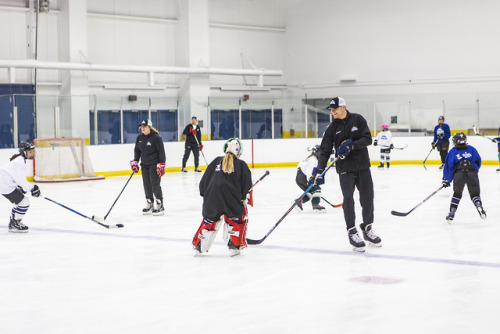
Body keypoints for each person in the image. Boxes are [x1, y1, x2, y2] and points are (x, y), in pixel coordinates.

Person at [311, 97, 381, 252]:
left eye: (335, 108)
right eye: (331, 109)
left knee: (367, 197)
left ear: (344, 107)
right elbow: (324, 151)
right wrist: (319, 170)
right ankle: (352, 231)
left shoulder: (358, 119)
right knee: (348, 199)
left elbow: (368, 139)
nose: (333, 111)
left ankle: (368, 229)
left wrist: (352, 146)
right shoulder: (331, 128)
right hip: (345, 169)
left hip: (363, 166)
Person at [192, 138, 252, 257]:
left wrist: (205, 195)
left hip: (212, 198)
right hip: (230, 199)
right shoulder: (241, 164)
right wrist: (242, 198)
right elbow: (247, 186)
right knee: (236, 218)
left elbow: (203, 183)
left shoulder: (215, 161)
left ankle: (199, 244)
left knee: (209, 219)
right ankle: (233, 244)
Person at [442, 132, 486, 222]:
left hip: (459, 175)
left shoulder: (453, 151)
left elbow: (449, 167)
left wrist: (446, 179)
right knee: (475, 195)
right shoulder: (472, 149)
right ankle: (478, 205)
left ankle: (451, 213)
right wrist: (474, 169)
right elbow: (478, 161)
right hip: (472, 174)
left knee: (457, 194)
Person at [0, 142, 41, 232]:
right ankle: (15, 223)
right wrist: (32, 188)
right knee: (24, 202)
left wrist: (25, 188)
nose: (33, 153)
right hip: (5, 185)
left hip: (6, 184)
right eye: (30, 152)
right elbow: (21, 181)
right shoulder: (19, 162)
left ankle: (13, 222)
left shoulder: (21, 160)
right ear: (24, 152)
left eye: (33, 151)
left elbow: (17, 178)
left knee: (19, 202)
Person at [131, 119, 166, 215]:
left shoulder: (156, 138)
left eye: (145, 127)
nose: (143, 128)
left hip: (154, 164)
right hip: (144, 165)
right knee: (146, 184)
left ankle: (160, 204)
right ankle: (150, 203)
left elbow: (161, 152)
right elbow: (137, 150)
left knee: (155, 184)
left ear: (149, 127)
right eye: (142, 127)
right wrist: (135, 161)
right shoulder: (140, 138)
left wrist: (162, 164)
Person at [295, 145, 326, 212]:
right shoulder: (314, 160)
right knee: (317, 188)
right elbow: (309, 171)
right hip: (304, 177)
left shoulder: (308, 158)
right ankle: (316, 205)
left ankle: (299, 201)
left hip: (299, 178)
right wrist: (310, 179)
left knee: (311, 192)